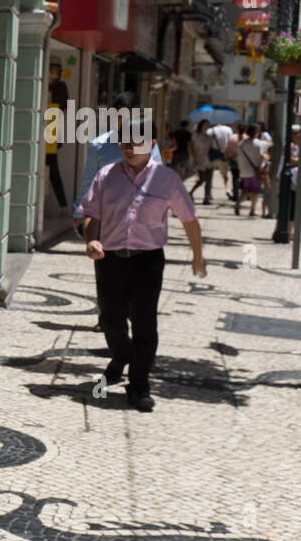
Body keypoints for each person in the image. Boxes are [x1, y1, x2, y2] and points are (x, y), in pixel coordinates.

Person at [79, 118, 207, 412]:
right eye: (124, 143)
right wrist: (91, 240)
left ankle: (139, 385)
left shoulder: (167, 179)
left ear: (151, 144)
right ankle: (122, 355)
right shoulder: (106, 176)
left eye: (135, 143)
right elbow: (91, 215)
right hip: (110, 258)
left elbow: (189, 220)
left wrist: (198, 256)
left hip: (148, 260)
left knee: (145, 322)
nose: (128, 148)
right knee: (111, 319)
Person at [72, 91, 163, 236]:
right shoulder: (99, 145)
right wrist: (79, 213)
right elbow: (89, 182)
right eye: (121, 116)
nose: (126, 121)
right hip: (107, 218)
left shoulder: (147, 144)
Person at [44, 60, 70, 208]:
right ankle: (61, 205)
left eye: (56, 72)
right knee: (49, 169)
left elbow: (64, 109)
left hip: (51, 131)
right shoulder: (41, 83)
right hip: (41, 129)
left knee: (52, 169)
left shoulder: (60, 87)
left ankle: (61, 205)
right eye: (51, 70)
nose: (53, 75)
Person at [235, 123, 265, 217]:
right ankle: (252, 209)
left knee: (246, 189)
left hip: (244, 170)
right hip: (255, 171)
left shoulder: (241, 143)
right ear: (257, 132)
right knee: (256, 191)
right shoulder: (258, 143)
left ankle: (238, 204)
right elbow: (261, 157)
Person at [187, 119, 215, 203]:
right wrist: (194, 159)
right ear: (201, 126)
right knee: (201, 179)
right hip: (200, 160)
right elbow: (192, 149)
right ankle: (191, 192)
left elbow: (211, 148)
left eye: (208, 125)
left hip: (209, 160)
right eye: (205, 125)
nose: (207, 127)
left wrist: (213, 139)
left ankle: (206, 198)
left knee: (209, 180)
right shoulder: (195, 136)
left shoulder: (209, 137)